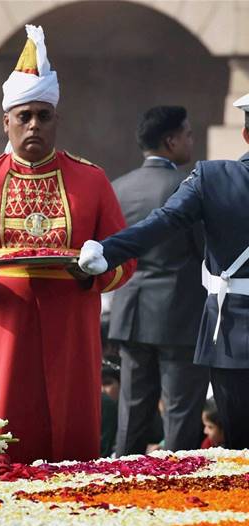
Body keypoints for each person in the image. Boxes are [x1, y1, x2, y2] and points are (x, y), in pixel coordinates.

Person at [0, 25, 135, 463]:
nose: (34, 125)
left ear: (57, 119)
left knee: (72, 426)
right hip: (3, 324)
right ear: (6, 120)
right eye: (24, 116)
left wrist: (99, 270)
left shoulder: (91, 179)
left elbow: (124, 254)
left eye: (43, 115)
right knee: (3, 427)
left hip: (73, 320)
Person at [79, 93, 249, 451]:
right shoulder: (201, 178)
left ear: (245, 135)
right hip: (185, 315)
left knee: (234, 449)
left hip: (222, 330)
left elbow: (163, 224)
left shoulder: (209, 178)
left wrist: (107, 252)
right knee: (180, 417)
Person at [109, 106, 208, 456]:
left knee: (131, 413)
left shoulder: (117, 187)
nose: (191, 141)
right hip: (179, 313)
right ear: (171, 140)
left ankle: (120, 483)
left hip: (130, 311)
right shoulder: (187, 186)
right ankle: (179, 491)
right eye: (188, 134)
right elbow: (203, 248)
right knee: (181, 412)